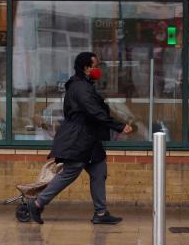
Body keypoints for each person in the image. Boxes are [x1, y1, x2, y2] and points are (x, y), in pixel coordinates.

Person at [28, 52, 133, 225]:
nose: (98, 70)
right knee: (69, 172)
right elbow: (93, 111)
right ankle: (38, 203)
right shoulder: (80, 88)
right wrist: (119, 126)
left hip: (90, 139)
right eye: (96, 66)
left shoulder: (84, 85)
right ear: (86, 68)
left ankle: (100, 213)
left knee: (99, 171)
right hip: (79, 138)